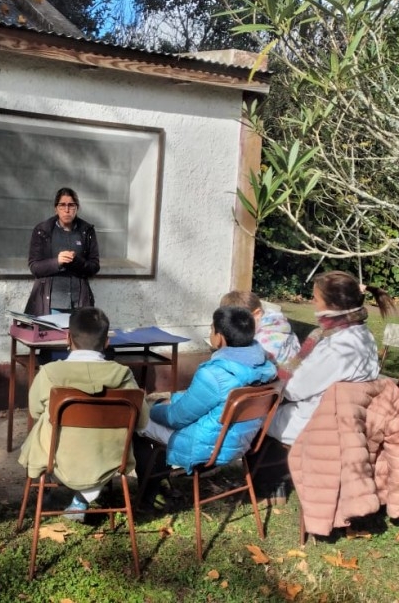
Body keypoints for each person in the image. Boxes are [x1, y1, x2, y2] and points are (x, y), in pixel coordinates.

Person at [134, 306, 277, 510]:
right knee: (165, 411)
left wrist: (154, 407)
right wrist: (174, 399)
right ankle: (157, 483)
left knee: (139, 421)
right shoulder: (265, 367)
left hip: (206, 446)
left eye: (211, 328)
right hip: (240, 443)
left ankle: (147, 496)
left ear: (220, 337)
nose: (210, 333)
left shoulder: (215, 374)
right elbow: (207, 401)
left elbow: (176, 419)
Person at [17, 307, 149, 522]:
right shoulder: (123, 375)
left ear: (68, 338)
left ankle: (53, 492)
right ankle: (83, 498)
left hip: (57, 457)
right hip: (108, 460)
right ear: (107, 342)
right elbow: (142, 422)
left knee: (42, 421)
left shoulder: (50, 373)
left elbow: (35, 411)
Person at [267, 271, 394, 445]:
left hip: (315, 423)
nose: (312, 302)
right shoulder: (364, 335)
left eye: (315, 299)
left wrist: (276, 371)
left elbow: (294, 389)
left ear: (333, 305)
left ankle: (247, 457)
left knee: (250, 415)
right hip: (347, 416)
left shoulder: (337, 348)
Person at [24, 188, 100, 317]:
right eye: (62, 205)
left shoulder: (87, 231)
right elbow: (35, 267)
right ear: (56, 208)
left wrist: (77, 261)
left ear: (77, 208)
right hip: (51, 303)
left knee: (80, 330)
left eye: (71, 205)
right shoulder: (42, 230)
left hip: (79, 302)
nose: (67, 210)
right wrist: (57, 262)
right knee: (52, 331)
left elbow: (94, 266)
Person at [220, 290, 301, 366]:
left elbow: (249, 367)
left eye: (238, 323)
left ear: (257, 314)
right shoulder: (278, 325)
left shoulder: (263, 342)